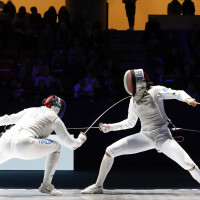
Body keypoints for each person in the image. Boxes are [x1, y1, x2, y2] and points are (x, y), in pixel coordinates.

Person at [81, 69, 200, 194]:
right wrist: (110, 127)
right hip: (145, 137)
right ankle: (98, 186)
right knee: (110, 151)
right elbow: (129, 123)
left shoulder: (156, 90)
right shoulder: (133, 100)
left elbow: (177, 93)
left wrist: (188, 99)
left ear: (139, 82)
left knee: (188, 164)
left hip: (162, 137)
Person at [0, 95, 87, 196]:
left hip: (4, 140)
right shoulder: (53, 117)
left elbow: (7, 119)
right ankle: (46, 185)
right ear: (58, 108)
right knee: (56, 147)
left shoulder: (31, 110)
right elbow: (71, 144)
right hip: (24, 144)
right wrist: (81, 139)